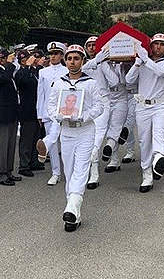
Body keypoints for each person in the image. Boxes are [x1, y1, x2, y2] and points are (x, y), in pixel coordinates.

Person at [47, 44, 108, 232]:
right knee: (70, 172)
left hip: (85, 131)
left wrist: (84, 116)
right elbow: (50, 106)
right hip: (67, 132)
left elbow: (99, 106)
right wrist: (58, 116)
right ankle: (73, 214)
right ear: (65, 60)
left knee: (82, 168)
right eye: (70, 58)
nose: (73, 62)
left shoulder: (91, 83)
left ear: (83, 61)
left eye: (76, 58)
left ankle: (71, 207)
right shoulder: (59, 83)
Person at [126, 34, 164, 193]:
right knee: (144, 141)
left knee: (159, 134)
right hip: (142, 106)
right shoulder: (144, 62)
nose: (158, 47)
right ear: (150, 46)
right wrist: (138, 63)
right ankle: (146, 174)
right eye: (155, 44)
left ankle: (159, 159)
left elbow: (160, 72)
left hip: (161, 105)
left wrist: (145, 59)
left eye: (161, 45)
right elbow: (129, 80)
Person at [81, 36, 111, 189]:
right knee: (86, 139)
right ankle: (87, 172)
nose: (92, 48)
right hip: (86, 106)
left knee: (96, 140)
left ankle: (94, 175)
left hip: (103, 103)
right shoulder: (85, 63)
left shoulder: (104, 63)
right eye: (89, 45)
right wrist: (96, 61)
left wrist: (104, 65)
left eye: (95, 45)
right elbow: (81, 70)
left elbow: (115, 81)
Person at [0, 48, 21, 186]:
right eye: (8, 58)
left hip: (12, 113)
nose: (12, 60)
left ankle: (8, 171)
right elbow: (5, 78)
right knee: (2, 145)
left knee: (11, 144)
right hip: (2, 114)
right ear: (2, 59)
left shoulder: (7, 71)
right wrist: (10, 64)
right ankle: (0, 174)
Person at [36, 42, 67, 186]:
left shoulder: (66, 71)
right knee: (52, 144)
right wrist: (40, 114)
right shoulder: (43, 72)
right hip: (49, 112)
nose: (53, 56)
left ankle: (69, 170)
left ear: (61, 55)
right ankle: (56, 172)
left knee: (66, 143)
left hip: (65, 111)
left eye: (56, 54)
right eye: (51, 54)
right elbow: (40, 94)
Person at [14, 50, 40, 179]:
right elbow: (23, 82)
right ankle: (23, 165)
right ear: (23, 60)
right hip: (26, 110)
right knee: (26, 139)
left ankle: (33, 160)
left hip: (36, 109)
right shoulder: (21, 73)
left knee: (35, 136)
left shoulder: (34, 71)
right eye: (29, 58)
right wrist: (28, 67)